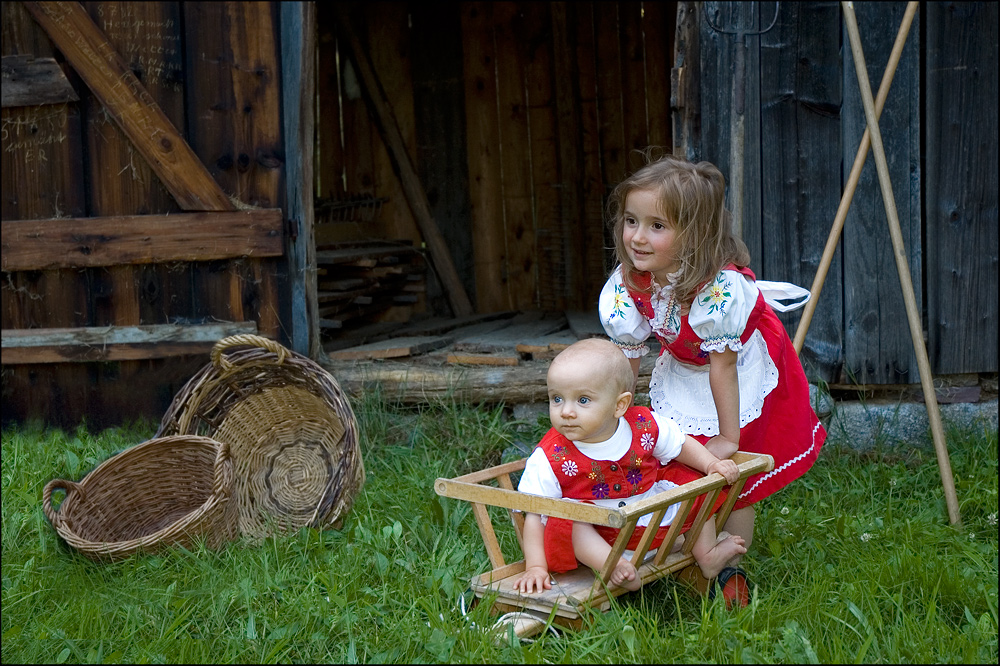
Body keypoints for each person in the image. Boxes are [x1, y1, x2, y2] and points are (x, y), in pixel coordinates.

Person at [598, 151, 827, 606]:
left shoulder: (719, 291)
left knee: (731, 476)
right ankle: (690, 545)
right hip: (687, 366)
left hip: (736, 370)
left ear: (694, 234)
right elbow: (629, 359)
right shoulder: (627, 284)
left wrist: (727, 436)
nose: (637, 238)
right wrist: (616, 422)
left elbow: (722, 366)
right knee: (677, 461)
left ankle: (731, 565)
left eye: (657, 226)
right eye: (630, 221)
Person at [512, 338, 746, 595]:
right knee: (569, 518)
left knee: (696, 485)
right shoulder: (550, 455)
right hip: (600, 537)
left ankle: (707, 555)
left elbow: (679, 444)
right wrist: (535, 567)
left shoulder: (642, 425)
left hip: (653, 517)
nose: (566, 411)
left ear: (620, 405)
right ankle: (615, 568)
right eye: (557, 398)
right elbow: (534, 514)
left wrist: (711, 463)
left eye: (583, 400)